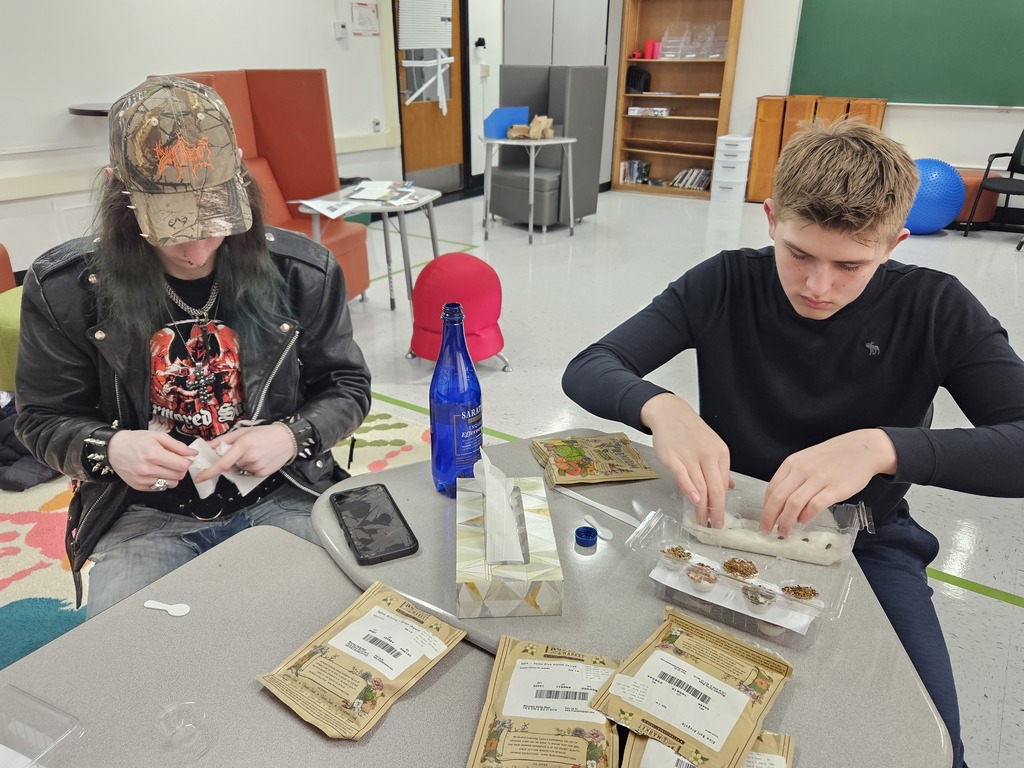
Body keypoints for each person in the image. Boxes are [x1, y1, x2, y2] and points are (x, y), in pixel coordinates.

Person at [563, 119, 1024, 768]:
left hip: (868, 538)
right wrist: (658, 405)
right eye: (799, 253)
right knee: (639, 708)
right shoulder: (724, 282)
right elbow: (591, 365)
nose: (818, 286)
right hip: (723, 522)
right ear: (771, 219)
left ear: (895, 244)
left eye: (850, 265)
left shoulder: (936, 307)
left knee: (932, 748)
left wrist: (884, 448)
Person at [15, 76, 371, 619]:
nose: (199, 246)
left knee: (342, 625)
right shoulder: (64, 288)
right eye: (174, 223)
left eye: (215, 215)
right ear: (120, 192)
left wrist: (290, 436)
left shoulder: (303, 271)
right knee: (128, 660)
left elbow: (347, 386)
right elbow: (40, 418)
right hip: (142, 514)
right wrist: (110, 450)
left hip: (283, 492)